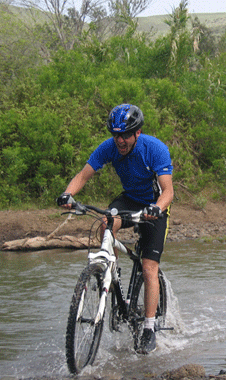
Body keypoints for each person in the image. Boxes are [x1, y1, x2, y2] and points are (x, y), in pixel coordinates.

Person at [57, 103, 174, 354]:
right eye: (116, 135)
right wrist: (67, 194)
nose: (120, 140)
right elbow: (83, 175)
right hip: (130, 199)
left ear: (137, 133)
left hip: (154, 206)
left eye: (125, 135)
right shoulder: (108, 148)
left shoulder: (154, 149)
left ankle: (149, 327)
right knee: (106, 223)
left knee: (148, 268)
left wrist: (156, 208)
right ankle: (112, 271)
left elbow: (168, 191)